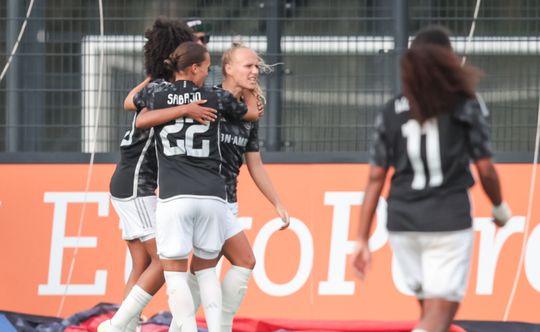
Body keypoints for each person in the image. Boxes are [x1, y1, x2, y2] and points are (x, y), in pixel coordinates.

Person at [351, 26, 512, 332]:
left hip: (403, 223)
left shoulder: (391, 110)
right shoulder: (465, 104)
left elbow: (375, 176)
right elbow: (486, 168)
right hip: (448, 221)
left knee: (432, 314)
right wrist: (500, 207)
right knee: (437, 321)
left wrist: (361, 237)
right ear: (449, 60)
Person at [136, 42, 290, 332]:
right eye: (249, 65)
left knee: (215, 266)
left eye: (258, 66)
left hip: (218, 201)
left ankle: (188, 327)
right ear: (227, 68)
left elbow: (254, 164)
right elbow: (140, 112)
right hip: (203, 196)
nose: (255, 71)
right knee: (178, 268)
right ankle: (128, 322)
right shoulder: (213, 99)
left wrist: (277, 203)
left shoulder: (236, 108)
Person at [100, 18, 216, 332]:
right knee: (166, 261)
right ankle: (118, 325)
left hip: (131, 183)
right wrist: (184, 108)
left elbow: (130, 102)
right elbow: (132, 107)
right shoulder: (163, 90)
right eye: (194, 41)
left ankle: (127, 325)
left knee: (143, 263)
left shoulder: (161, 87)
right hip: (135, 184)